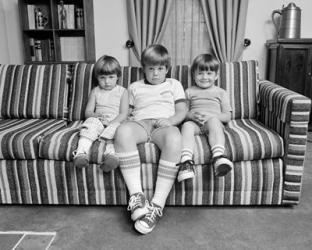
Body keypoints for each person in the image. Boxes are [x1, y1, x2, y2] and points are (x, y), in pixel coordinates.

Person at [114, 44, 187, 234]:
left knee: (174, 138)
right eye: (151, 68)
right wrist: (121, 121)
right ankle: (137, 197)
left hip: (162, 125)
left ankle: (156, 205)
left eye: (160, 68)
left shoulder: (174, 84)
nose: (155, 73)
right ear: (143, 68)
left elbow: (182, 110)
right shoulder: (134, 87)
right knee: (122, 132)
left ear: (167, 69)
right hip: (140, 123)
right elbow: (126, 112)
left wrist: (170, 120)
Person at [177, 53, 233, 182]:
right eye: (200, 73)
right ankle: (186, 161)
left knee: (213, 121)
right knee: (186, 126)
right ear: (194, 75)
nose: (204, 77)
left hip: (213, 124)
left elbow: (227, 116)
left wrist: (213, 116)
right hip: (195, 124)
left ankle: (218, 156)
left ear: (216, 76)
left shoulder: (221, 92)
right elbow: (183, 113)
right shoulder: (189, 91)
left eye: (209, 73)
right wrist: (190, 115)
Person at [73, 55, 128, 172]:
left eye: (111, 77)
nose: (107, 82)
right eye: (102, 77)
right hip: (98, 120)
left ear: (118, 76)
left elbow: (124, 113)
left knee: (118, 131)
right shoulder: (95, 91)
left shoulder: (122, 91)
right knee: (89, 125)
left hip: (115, 120)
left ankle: (111, 157)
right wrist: (95, 116)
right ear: (97, 78)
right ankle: (81, 154)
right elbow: (88, 112)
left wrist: (111, 123)